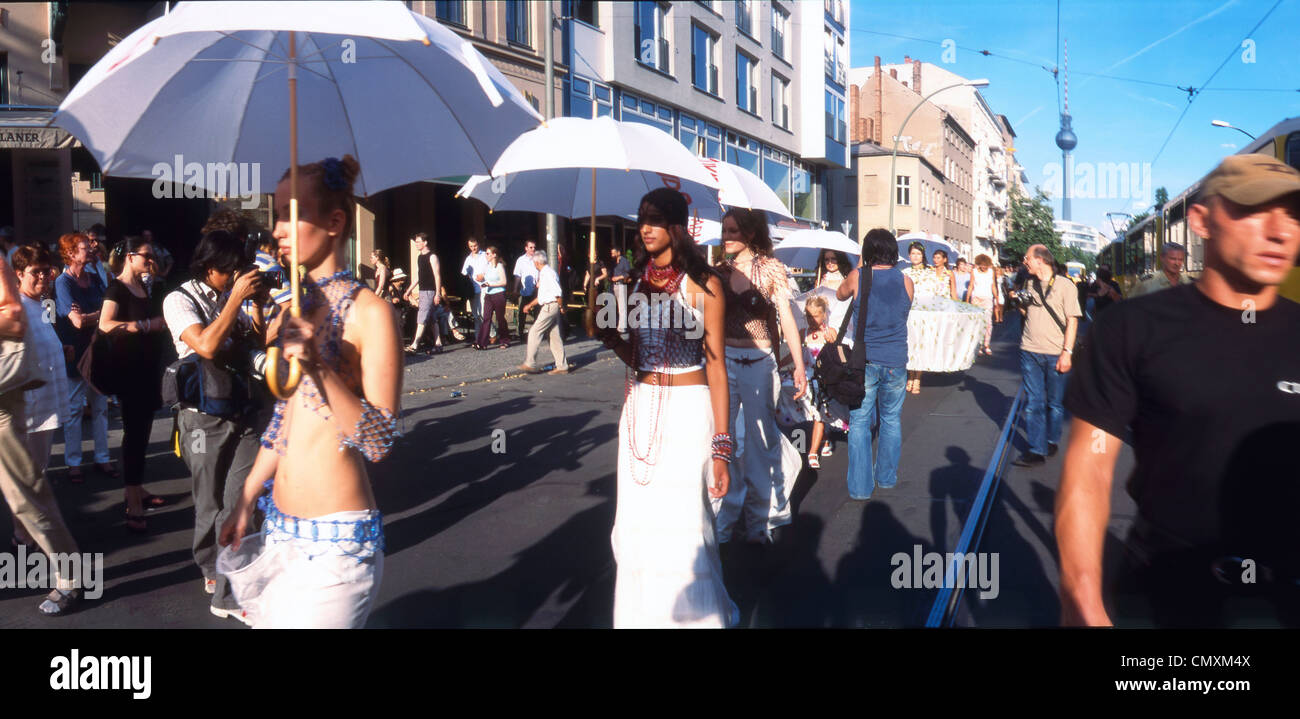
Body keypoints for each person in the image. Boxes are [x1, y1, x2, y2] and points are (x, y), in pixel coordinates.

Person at [1057, 154, 1300, 627]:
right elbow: (1089, 468)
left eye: (1294, 213)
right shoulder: (1131, 329)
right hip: (1167, 590)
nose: (1280, 231)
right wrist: (1081, 599)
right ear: (1201, 220)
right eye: (1253, 209)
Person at [218, 155, 402, 629]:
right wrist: (245, 498)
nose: (276, 229)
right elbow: (284, 423)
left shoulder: (371, 313)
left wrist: (318, 365)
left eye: (288, 214)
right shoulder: (289, 315)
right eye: (275, 213)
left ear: (335, 221)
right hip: (277, 531)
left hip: (336, 548)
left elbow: (380, 440)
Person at [595, 187, 736, 627]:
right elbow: (636, 356)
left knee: (685, 524)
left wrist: (721, 445)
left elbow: (717, 369)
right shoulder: (635, 281)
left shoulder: (704, 283)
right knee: (637, 526)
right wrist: (609, 337)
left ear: (676, 226)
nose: (647, 229)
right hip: (639, 407)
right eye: (642, 220)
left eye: (656, 220)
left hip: (687, 411)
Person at [163, 230, 269, 623]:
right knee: (208, 503)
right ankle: (210, 566)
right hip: (201, 417)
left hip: (243, 409)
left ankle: (231, 586)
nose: (238, 276)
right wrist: (235, 300)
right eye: (231, 272)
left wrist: (256, 307)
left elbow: (257, 342)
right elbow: (205, 346)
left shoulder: (236, 294)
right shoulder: (178, 299)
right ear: (211, 270)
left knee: (241, 501)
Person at [714, 207, 806, 545]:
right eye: (724, 230)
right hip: (725, 359)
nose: (726, 237)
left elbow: (786, 319)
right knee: (726, 440)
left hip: (760, 362)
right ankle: (723, 522)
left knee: (761, 443)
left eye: (733, 231)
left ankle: (764, 520)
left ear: (750, 235)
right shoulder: (718, 273)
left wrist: (797, 365)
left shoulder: (771, 269)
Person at [4, 246, 85, 615]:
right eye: (36, 272)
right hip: (25, 402)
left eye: (46, 272)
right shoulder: (38, 302)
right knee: (29, 490)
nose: (43, 279)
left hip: (22, 406)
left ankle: (69, 576)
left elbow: (16, 322)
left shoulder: (29, 300)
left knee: (30, 493)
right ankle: (24, 539)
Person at [98, 236, 170, 531]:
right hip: (130, 372)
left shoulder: (145, 285)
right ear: (130, 256)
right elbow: (105, 323)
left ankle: (138, 488)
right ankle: (133, 500)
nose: (150, 260)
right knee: (135, 435)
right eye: (146, 256)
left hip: (148, 369)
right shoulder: (117, 287)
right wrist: (143, 326)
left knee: (143, 432)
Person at [837, 229, 913, 500]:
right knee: (891, 419)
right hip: (896, 360)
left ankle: (860, 488)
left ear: (867, 252)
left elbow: (839, 294)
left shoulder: (858, 276)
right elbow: (902, 312)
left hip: (865, 361)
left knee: (859, 422)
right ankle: (886, 478)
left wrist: (860, 264)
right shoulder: (906, 281)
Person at [1009, 244, 1081, 468]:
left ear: (1040, 260)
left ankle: (1051, 439)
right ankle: (1036, 449)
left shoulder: (1065, 285)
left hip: (1055, 353)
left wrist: (1067, 353)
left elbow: (1072, 320)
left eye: (1027, 257)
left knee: (1055, 404)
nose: (1024, 261)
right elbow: (1030, 312)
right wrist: (1017, 302)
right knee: (1033, 403)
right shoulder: (1030, 283)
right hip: (1029, 350)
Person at [53, 232, 113, 483]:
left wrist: (91, 315)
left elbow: (109, 308)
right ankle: (73, 462)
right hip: (75, 352)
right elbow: (76, 322)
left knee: (100, 408)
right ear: (70, 253)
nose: (90, 250)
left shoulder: (96, 277)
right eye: (84, 247)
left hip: (98, 349)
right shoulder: (63, 283)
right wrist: (99, 314)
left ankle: (102, 458)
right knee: (75, 409)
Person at [800, 295, 845, 469]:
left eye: (816, 316)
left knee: (818, 414)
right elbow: (797, 352)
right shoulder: (803, 332)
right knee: (810, 413)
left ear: (824, 315)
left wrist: (832, 342)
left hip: (823, 377)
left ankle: (812, 451)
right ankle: (824, 439)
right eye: (808, 316)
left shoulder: (830, 332)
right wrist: (782, 363)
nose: (812, 320)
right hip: (807, 376)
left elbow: (840, 356)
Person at [900, 242, 947, 394]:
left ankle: (917, 377)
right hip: (908, 314)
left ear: (923, 256)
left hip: (923, 314)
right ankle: (909, 374)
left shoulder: (930, 273)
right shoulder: (904, 272)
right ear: (909, 255)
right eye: (913, 253)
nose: (915, 256)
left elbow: (936, 292)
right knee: (909, 344)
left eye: (918, 254)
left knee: (920, 344)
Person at [518, 254, 569, 374]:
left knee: (534, 332)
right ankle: (562, 366)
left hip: (550, 306)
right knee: (554, 336)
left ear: (537, 263)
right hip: (550, 304)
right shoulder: (546, 273)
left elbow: (557, 292)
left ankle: (530, 363)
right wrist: (530, 305)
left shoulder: (547, 274)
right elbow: (543, 296)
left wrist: (561, 306)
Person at [404, 233, 443, 354]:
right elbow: (418, 277)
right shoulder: (420, 257)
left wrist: (438, 293)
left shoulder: (432, 257)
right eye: (415, 241)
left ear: (425, 242)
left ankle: (415, 345)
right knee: (431, 319)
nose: (416, 244)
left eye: (418, 241)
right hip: (422, 291)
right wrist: (409, 289)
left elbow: (437, 276)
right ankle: (438, 344)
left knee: (421, 318)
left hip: (429, 291)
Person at [473, 245, 510, 350]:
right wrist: (481, 280)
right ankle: (482, 342)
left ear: (494, 255)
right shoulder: (487, 266)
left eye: (488, 253)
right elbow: (484, 278)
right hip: (488, 295)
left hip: (499, 294)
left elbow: (504, 282)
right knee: (486, 318)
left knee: (500, 318)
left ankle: (504, 340)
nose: (486, 255)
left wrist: (490, 284)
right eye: (486, 253)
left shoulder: (499, 266)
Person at [967, 254, 999, 356]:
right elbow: (971, 285)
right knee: (977, 323)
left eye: (986, 265)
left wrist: (997, 298)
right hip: (976, 298)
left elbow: (993, 285)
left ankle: (987, 344)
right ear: (978, 264)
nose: (984, 267)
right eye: (981, 265)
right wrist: (967, 299)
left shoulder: (991, 272)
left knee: (988, 322)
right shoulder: (974, 272)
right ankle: (979, 346)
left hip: (987, 299)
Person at [461, 237, 489, 337]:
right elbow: (464, 273)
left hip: (484, 287)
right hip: (473, 289)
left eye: (475, 246)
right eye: (471, 246)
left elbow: (492, 269)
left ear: (479, 244)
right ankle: (478, 336)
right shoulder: (468, 259)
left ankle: (490, 333)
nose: (473, 248)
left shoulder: (485, 255)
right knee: (475, 314)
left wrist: (484, 275)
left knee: (482, 312)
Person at [512, 238, 540, 340]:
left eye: (534, 247)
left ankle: (537, 334)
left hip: (536, 290)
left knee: (537, 312)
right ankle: (520, 333)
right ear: (526, 248)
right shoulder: (521, 260)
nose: (533, 249)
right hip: (524, 290)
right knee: (522, 312)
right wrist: (515, 289)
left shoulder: (538, 259)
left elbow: (542, 272)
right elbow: (517, 275)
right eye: (531, 247)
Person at [608, 245, 631, 334]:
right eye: (611, 253)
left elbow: (628, 273)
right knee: (614, 306)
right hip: (613, 285)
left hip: (621, 285)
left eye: (614, 253)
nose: (612, 254)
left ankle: (622, 327)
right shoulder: (613, 263)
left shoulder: (624, 261)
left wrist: (618, 278)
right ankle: (615, 325)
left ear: (618, 253)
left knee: (622, 307)